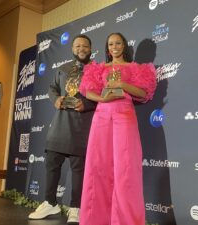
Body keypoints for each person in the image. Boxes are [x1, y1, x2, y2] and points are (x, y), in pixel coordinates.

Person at [79, 32, 157, 225]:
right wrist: (102, 98)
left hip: (125, 116)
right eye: (111, 44)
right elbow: (88, 90)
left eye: (118, 43)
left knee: (126, 170)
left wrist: (122, 83)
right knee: (98, 167)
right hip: (102, 117)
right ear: (107, 47)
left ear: (124, 45)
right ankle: (95, 220)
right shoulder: (99, 68)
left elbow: (144, 93)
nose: (115, 47)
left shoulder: (135, 68)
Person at [28, 34, 96, 224]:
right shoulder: (63, 69)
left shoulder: (97, 70)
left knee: (78, 170)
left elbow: (104, 95)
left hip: (81, 126)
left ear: (90, 49)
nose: (80, 49)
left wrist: (88, 104)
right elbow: (52, 88)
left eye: (84, 46)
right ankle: (50, 202)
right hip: (60, 125)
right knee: (51, 164)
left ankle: (76, 208)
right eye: (77, 46)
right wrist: (55, 99)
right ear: (72, 49)